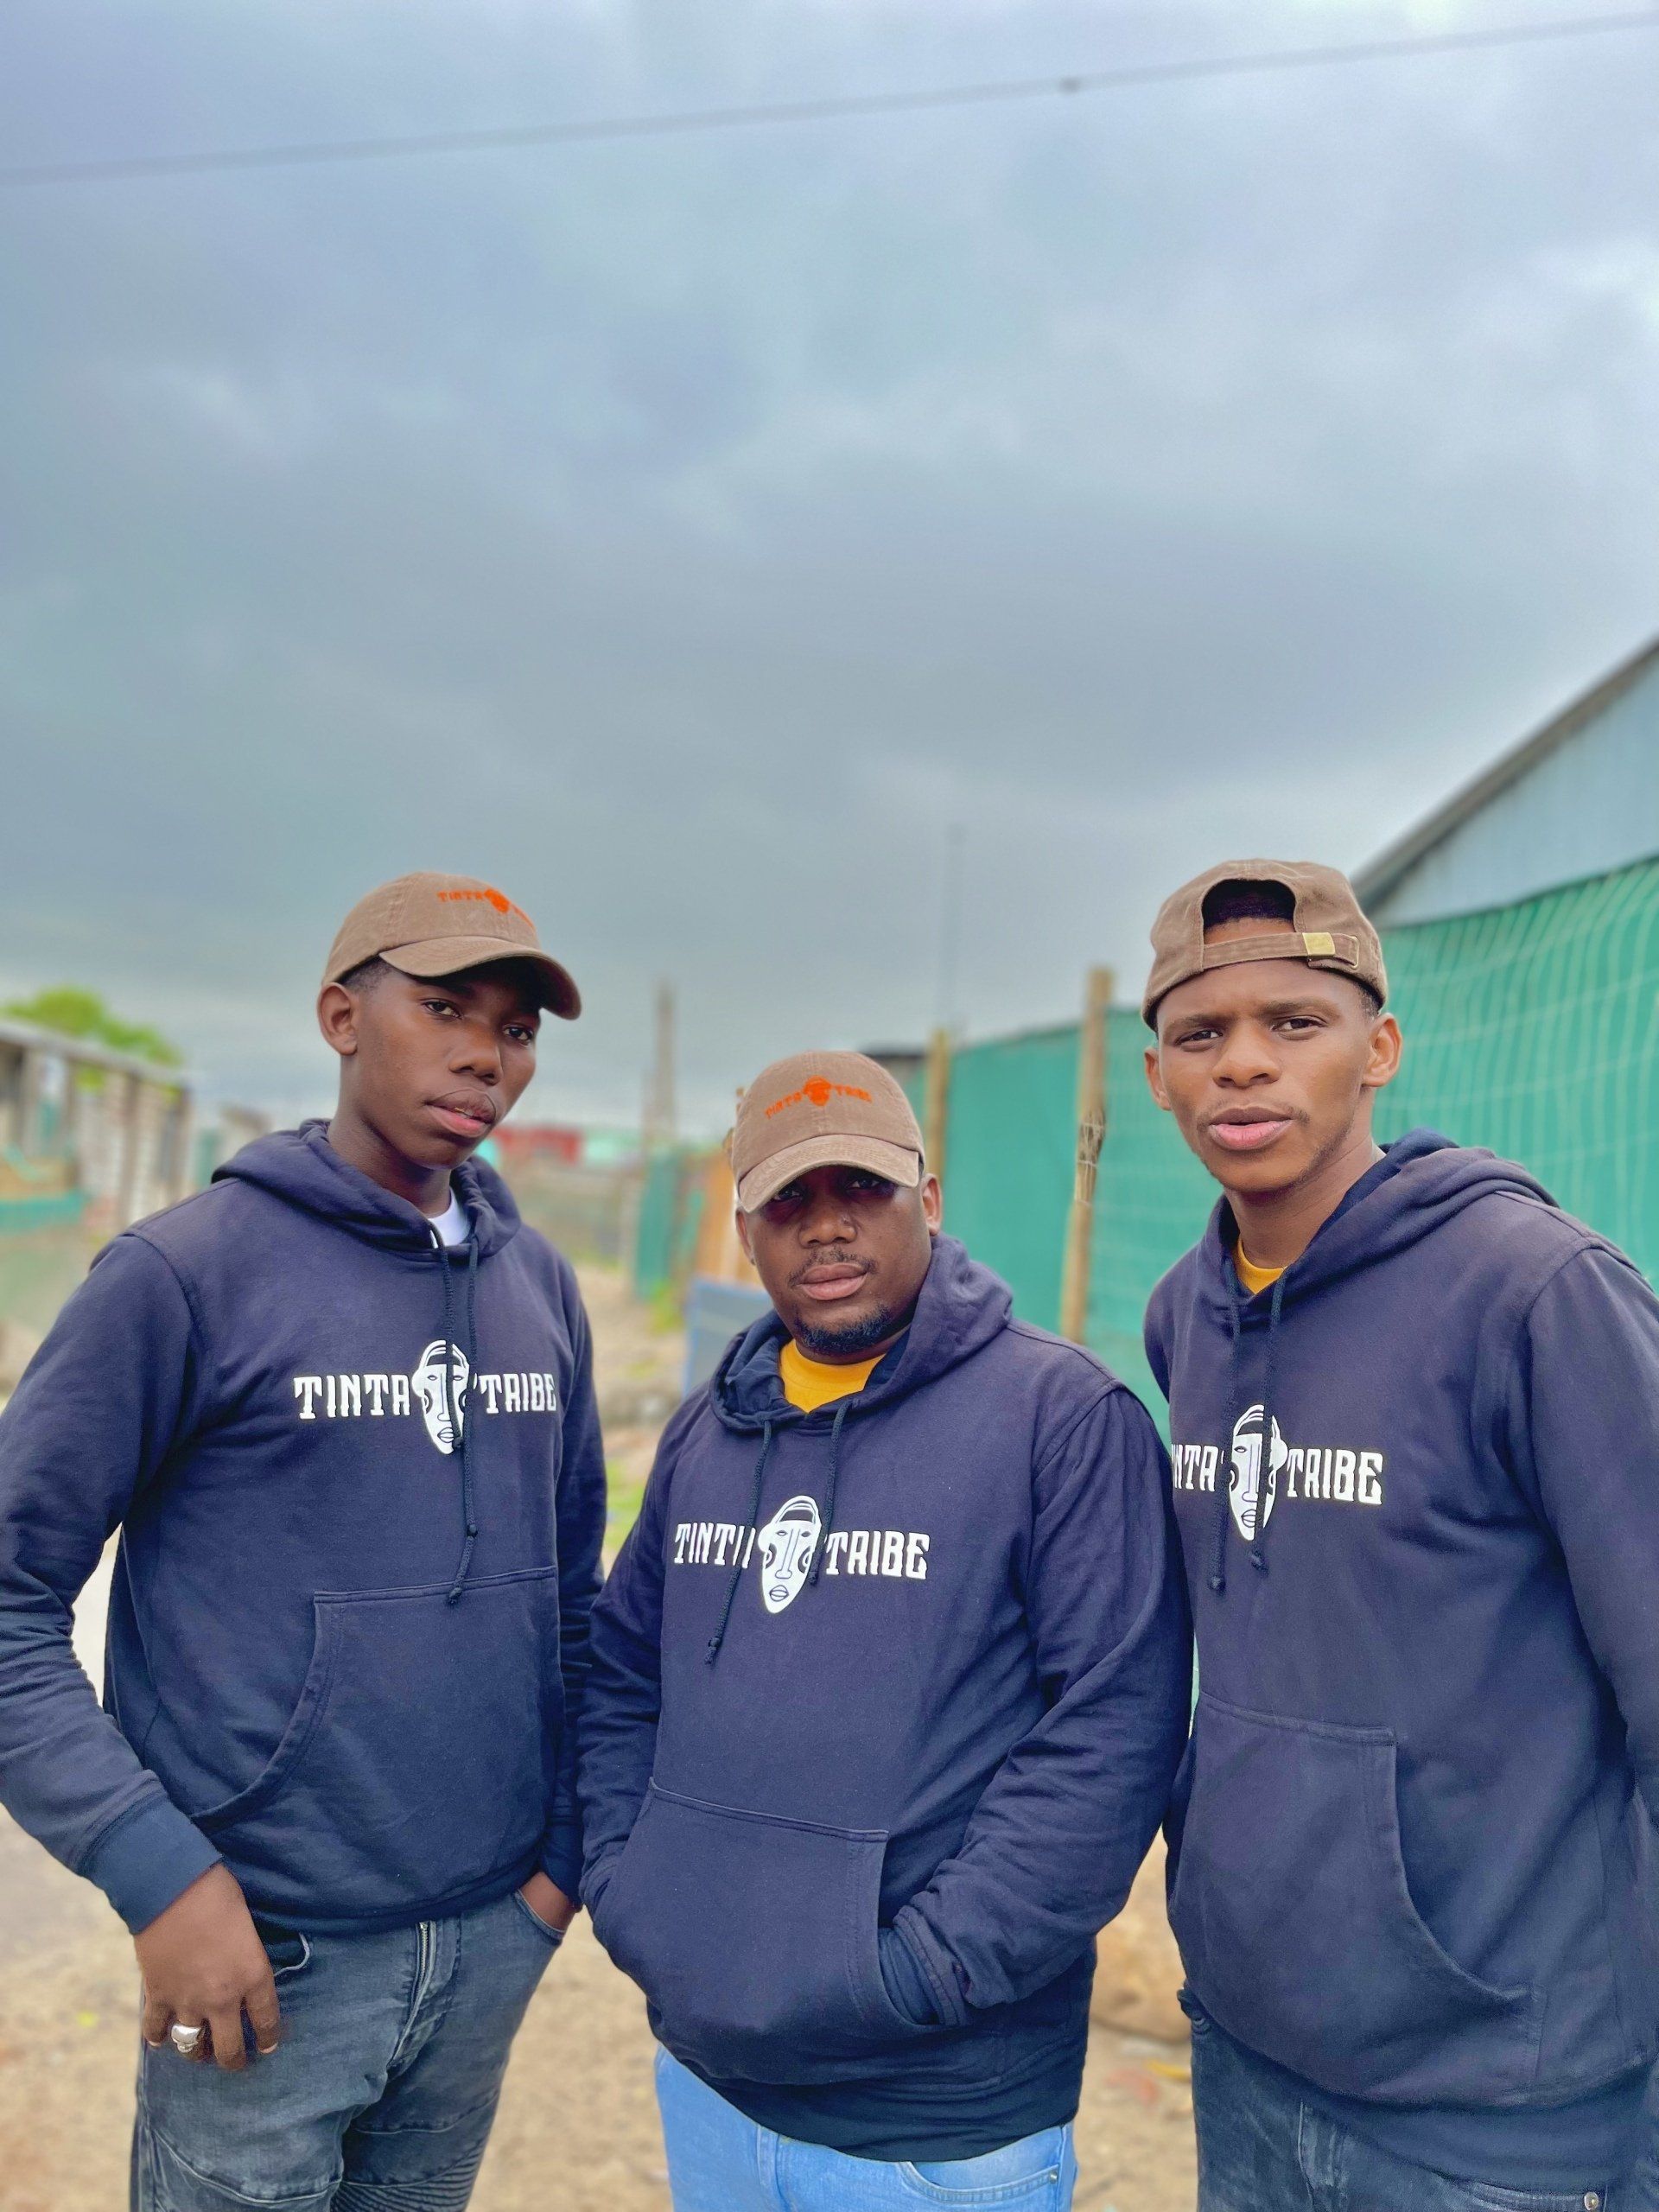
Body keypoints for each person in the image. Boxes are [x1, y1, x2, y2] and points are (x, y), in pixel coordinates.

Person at [0, 872, 607, 2210]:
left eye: (515, 1029)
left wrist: (554, 1878)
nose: (482, 1054)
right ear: (341, 1015)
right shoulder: (183, 1276)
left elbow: (572, 1608)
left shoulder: (538, 1287)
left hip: (486, 1947)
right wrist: (163, 1878)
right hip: (263, 1962)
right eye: (443, 1006)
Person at [580, 1049, 1190, 2212]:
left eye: (862, 1190)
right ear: (743, 1227)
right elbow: (622, 1679)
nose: (827, 1229)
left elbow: (1111, 1742)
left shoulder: (1061, 1421)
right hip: (711, 2089)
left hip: (936, 2127)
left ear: (933, 1201)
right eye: (790, 1201)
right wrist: (632, 1892)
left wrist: (910, 1978)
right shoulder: (712, 1431)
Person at [1141, 859, 1659, 2210]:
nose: (1243, 1065)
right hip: (1252, 2053)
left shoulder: (1536, 1295)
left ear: (1379, 1050)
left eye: (1293, 1025)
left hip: (1496, 2112)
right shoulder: (1184, 1316)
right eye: (1202, 1035)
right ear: (1158, 1079)